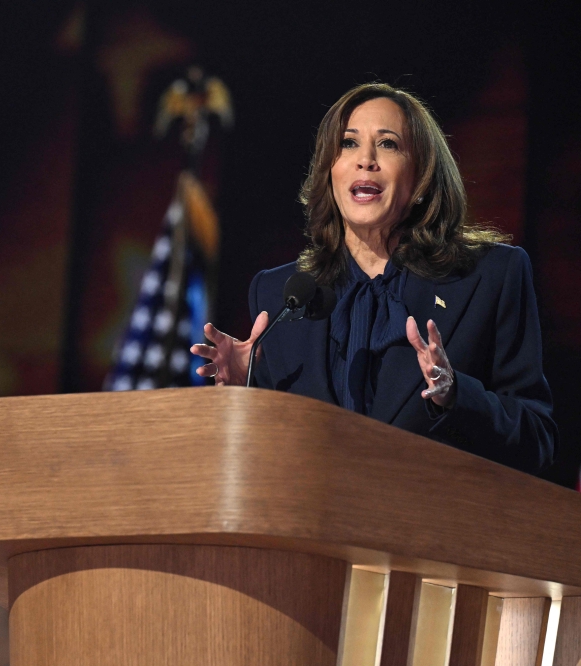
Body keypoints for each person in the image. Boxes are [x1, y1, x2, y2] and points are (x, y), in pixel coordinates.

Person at [190, 83, 556, 474]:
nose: (365, 159)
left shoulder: (490, 276)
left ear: (420, 179)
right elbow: (271, 463)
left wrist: (455, 394)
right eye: (348, 144)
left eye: (388, 144)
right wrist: (248, 392)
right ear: (329, 172)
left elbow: (537, 441)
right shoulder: (281, 296)